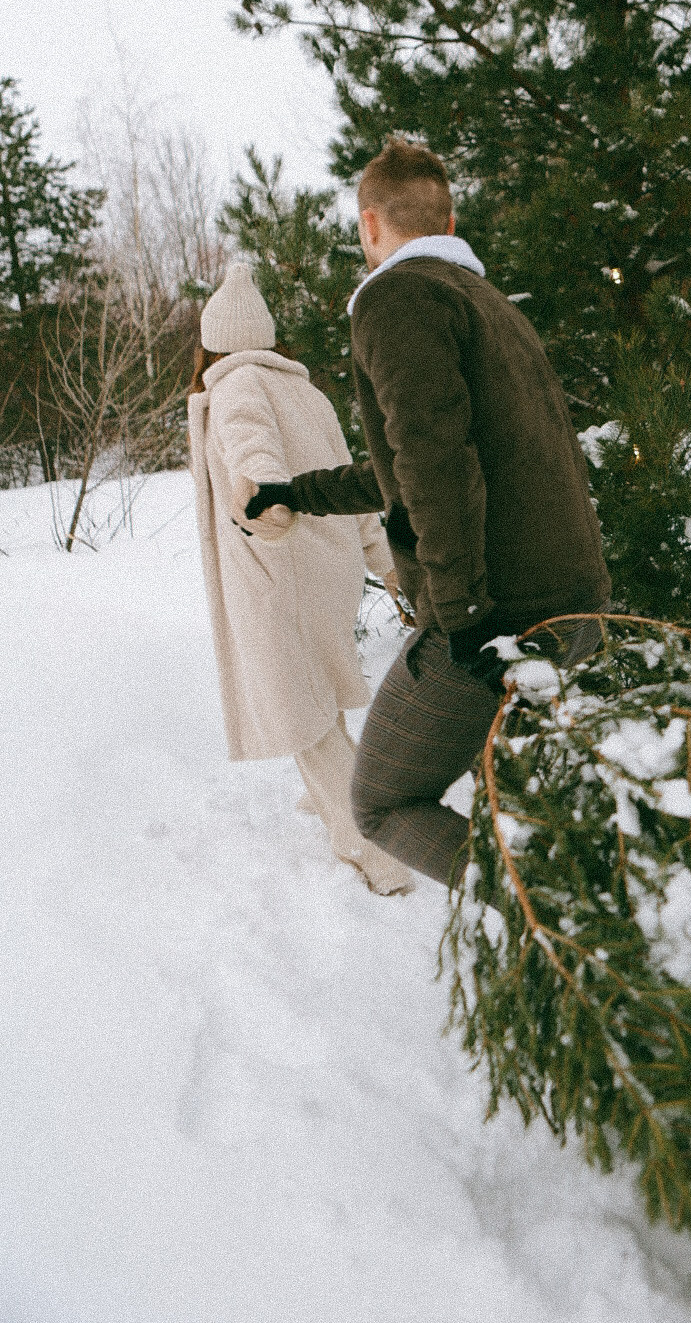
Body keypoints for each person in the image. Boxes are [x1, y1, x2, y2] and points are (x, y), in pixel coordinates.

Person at [244, 139, 612, 888]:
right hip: (574, 602)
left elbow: (437, 464)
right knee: (519, 802)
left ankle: (563, 920)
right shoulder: (486, 303)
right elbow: (408, 464)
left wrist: (463, 610)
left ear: (369, 224)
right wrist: (296, 492)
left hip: (499, 615)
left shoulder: (397, 298)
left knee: (382, 803)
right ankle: (574, 922)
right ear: (450, 217)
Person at [187, 262, 413, 895]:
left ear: (214, 343)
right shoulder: (305, 392)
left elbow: (253, 456)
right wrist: (382, 558)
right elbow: (349, 475)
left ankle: (369, 846)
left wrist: (265, 506)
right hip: (329, 567)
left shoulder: (234, 387)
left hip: (277, 572)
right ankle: (333, 794)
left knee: (298, 711)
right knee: (314, 690)